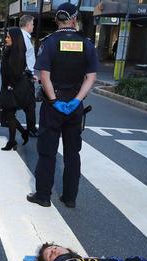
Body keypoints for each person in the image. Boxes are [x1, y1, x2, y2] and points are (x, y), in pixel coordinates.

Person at [26, 2, 98, 209]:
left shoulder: (49, 43)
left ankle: (43, 196)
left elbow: (44, 77)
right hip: (75, 106)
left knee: (47, 152)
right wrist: (76, 100)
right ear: (75, 19)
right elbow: (91, 77)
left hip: (53, 105)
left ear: (57, 20)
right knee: (72, 154)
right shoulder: (87, 44)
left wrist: (55, 101)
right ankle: (69, 197)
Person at [0, 28, 29, 150]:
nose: (6, 39)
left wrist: (10, 86)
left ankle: (14, 140)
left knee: (9, 114)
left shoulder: (17, 53)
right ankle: (19, 136)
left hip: (11, 88)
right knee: (9, 114)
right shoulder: (10, 50)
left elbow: (17, 72)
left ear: (15, 38)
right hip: (6, 86)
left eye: (8, 37)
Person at [20, 15, 38, 137]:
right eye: (32, 24)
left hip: (25, 75)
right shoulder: (23, 38)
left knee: (14, 103)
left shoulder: (25, 37)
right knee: (30, 104)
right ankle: (31, 128)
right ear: (27, 25)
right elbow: (22, 58)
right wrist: (29, 73)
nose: (33, 26)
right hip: (25, 76)